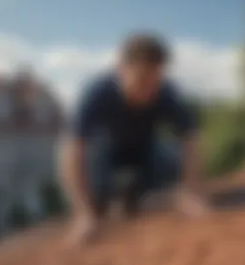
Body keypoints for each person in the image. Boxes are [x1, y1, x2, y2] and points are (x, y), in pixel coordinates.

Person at [60, 32, 209, 244]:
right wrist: (83, 213)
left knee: (173, 162)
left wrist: (191, 191)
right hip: (105, 154)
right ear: (121, 69)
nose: (149, 91)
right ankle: (104, 202)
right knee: (97, 199)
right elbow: (71, 151)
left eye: (155, 81)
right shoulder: (95, 93)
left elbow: (191, 141)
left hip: (146, 149)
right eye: (141, 80)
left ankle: (134, 197)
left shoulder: (167, 92)